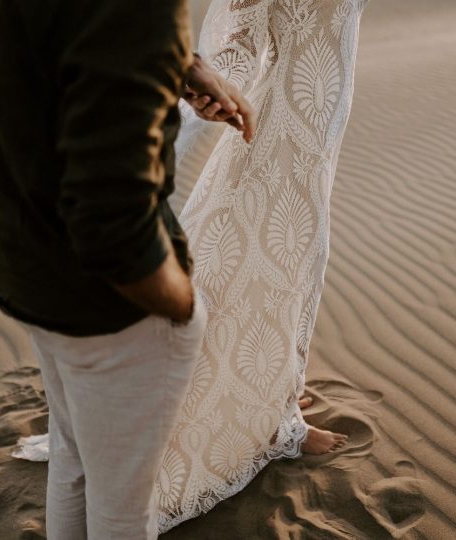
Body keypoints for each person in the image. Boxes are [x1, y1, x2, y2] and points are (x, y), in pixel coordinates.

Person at [0, 1, 254, 538]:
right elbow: (112, 227)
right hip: (115, 307)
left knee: (74, 462)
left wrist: (178, 62)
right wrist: (182, 308)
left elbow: (54, 47)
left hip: (26, 261)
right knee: (122, 510)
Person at [156, 0, 369, 531]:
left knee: (285, 267)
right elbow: (240, 39)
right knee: (263, 269)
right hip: (276, 131)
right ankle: (273, 422)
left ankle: (274, 395)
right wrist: (207, 91)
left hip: (316, 129)